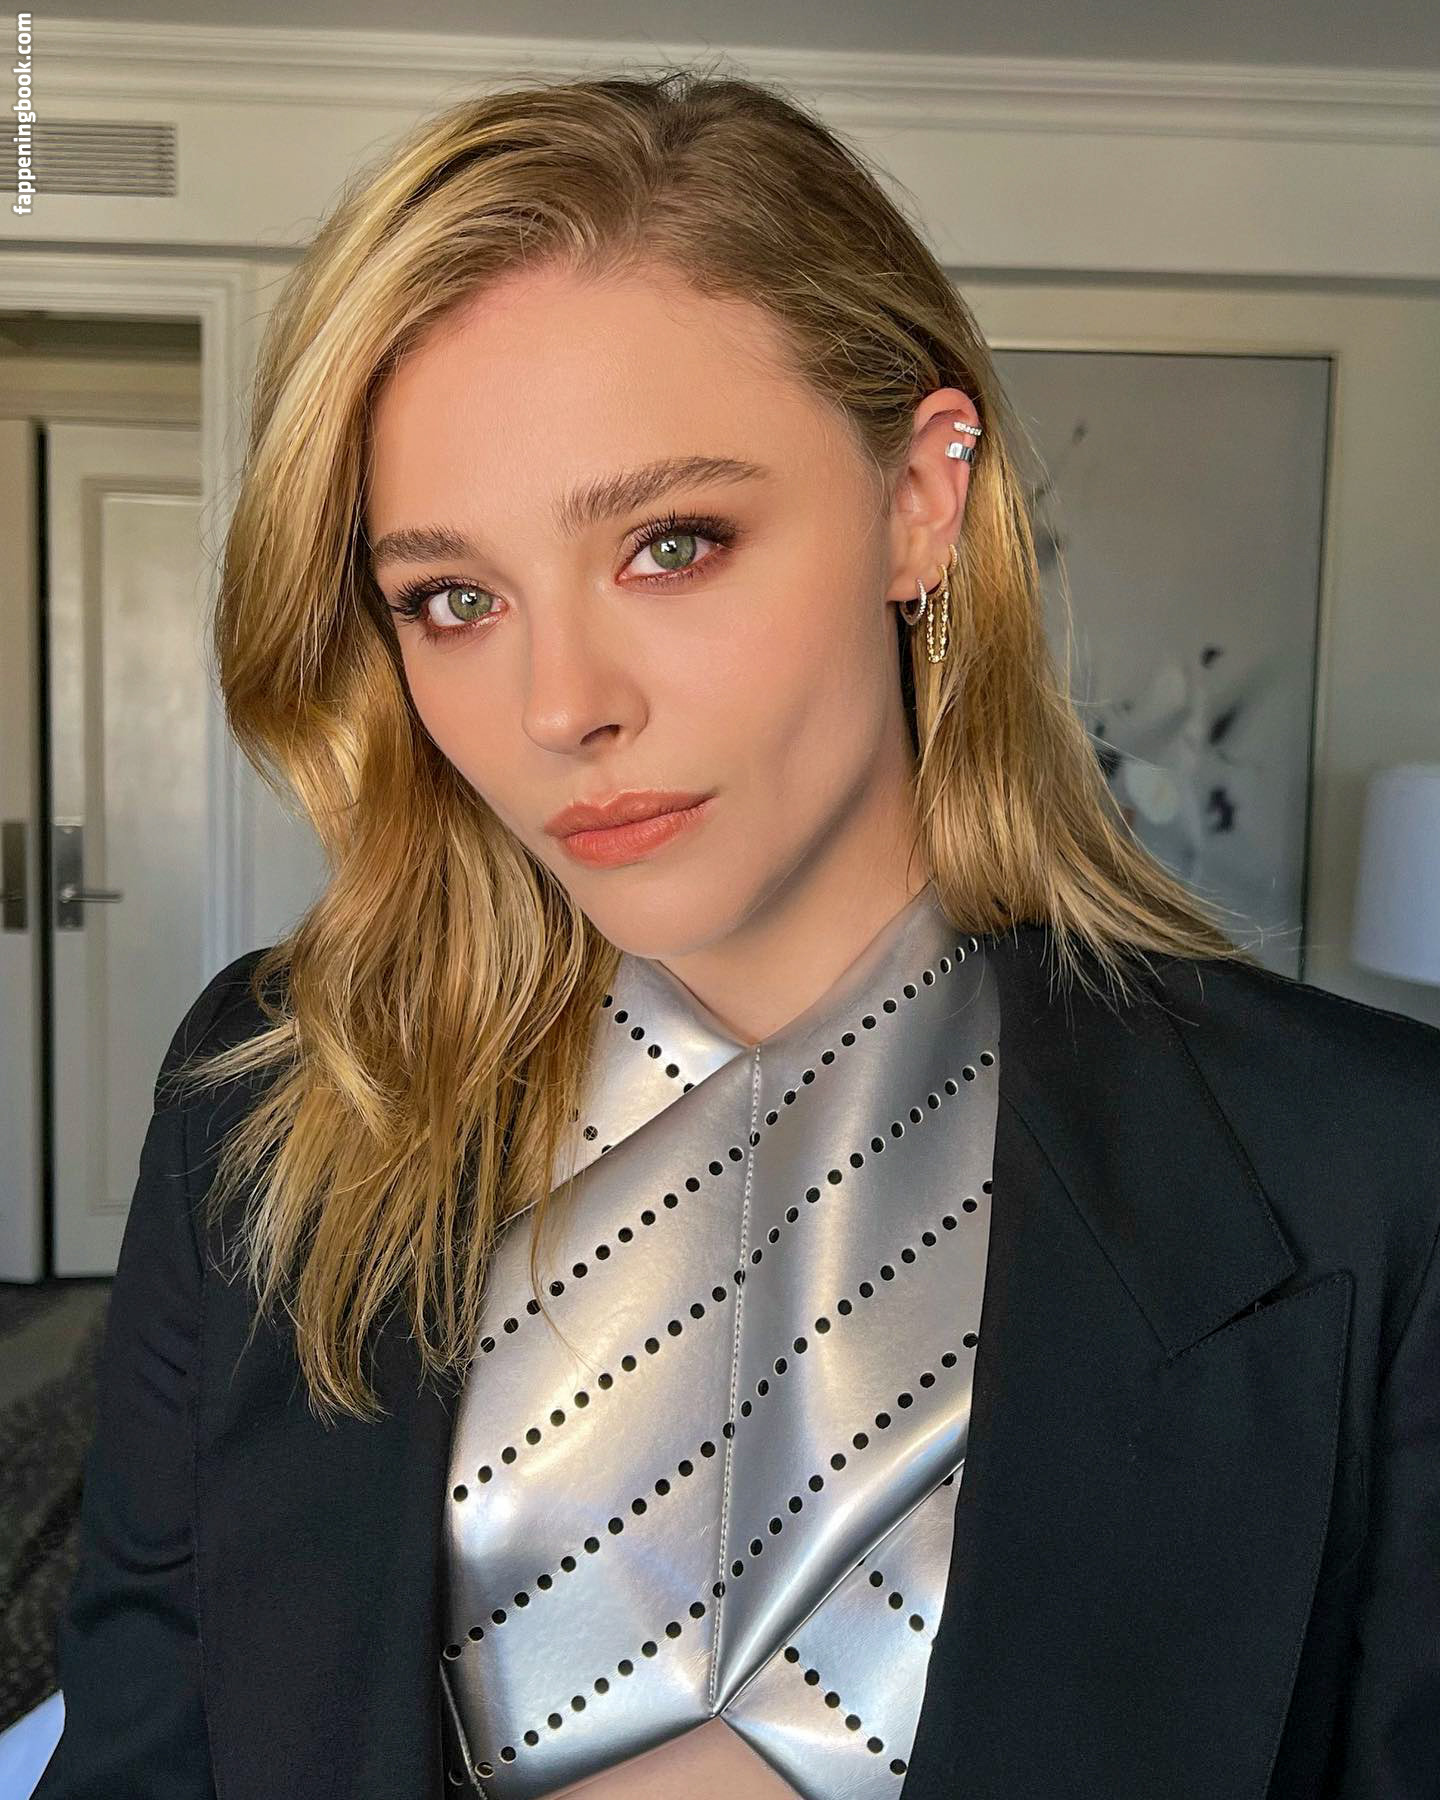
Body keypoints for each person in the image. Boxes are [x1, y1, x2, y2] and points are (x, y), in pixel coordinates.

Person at [32, 66, 1440, 1800]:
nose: (560, 705)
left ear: (921, 499)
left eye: (671, 544)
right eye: (453, 598)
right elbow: (147, 1752)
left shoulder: (1373, 1171)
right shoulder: (276, 1091)